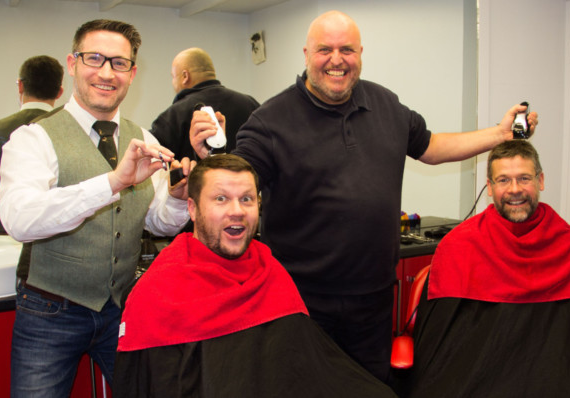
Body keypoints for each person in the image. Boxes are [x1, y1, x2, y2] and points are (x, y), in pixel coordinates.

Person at [189, 10, 539, 383]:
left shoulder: (386, 104)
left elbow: (432, 146)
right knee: (305, 388)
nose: (337, 60)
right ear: (306, 53)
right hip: (302, 299)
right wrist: (213, 154)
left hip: (373, 298)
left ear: (360, 53)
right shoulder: (271, 119)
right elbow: (237, 179)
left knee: (369, 387)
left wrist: (501, 134)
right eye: (325, 49)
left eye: (347, 49)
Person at [0, 19, 193, 397]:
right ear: (72, 64)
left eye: (119, 63)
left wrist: (177, 198)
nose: (106, 73)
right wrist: (113, 183)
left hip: (120, 307)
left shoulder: (144, 139)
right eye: (94, 59)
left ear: (132, 73)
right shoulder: (33, 138)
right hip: (48, 312)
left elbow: (158, 223)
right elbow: (19, 219)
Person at [113, 154, 397, 398]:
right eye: (221, 199)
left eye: (247, 199)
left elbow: (306, 367)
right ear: (193, 209)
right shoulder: (159, 290)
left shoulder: (269, 269)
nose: (237, 211)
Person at [402, 140, 570, 397]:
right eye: (503, 180)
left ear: (541, 181)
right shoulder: (458, 245)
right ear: (490, 188)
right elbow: (441, 347)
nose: (515, 190)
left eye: (524, 178)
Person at [0, 55, 64, 234]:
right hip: (55, 241)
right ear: (59, 92)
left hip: (3, 236)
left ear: (20, 85)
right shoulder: (73, 133)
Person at [150, 47, 259, 160]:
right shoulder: (251, 104)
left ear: (185, 77)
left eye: (173, 77)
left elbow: (154, 162)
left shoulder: (172, 116)